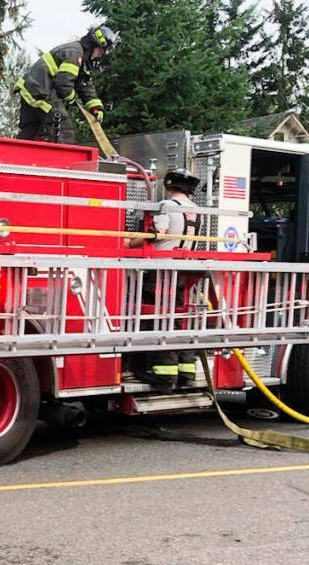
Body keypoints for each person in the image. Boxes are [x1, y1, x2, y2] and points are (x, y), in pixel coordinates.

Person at [127, 168, 202, 392]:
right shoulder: (196, 209)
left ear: (169, 186)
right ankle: (186, 374)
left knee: (156, 320)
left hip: (161, 270)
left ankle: (163, 377)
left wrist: (129, 243)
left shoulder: (167, 206)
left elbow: (157, 233)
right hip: (184, 269)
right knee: (178, 320)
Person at [14, 25, 118, 144]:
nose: (101, 54)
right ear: (93, 44)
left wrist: (95, 107)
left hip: (31, 90)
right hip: (42, 91)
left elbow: (84, 85)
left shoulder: (81, 57)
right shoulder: (75, 54)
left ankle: (15, 157)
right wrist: (71, 97)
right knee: (63, 129)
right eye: (100, 50)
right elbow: (63, 84)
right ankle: (65, 161)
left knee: (30, 131)